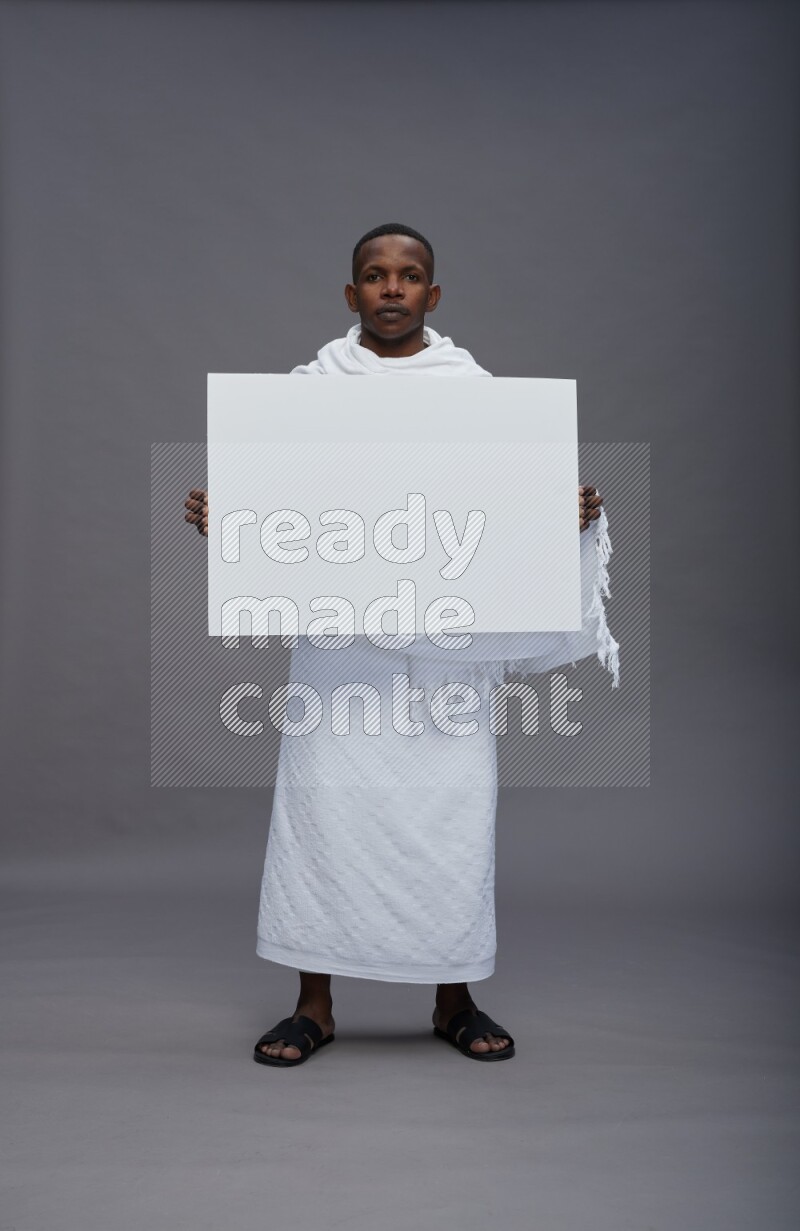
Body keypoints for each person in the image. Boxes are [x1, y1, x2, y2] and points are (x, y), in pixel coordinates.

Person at [184, 223, 616, 1066]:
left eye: (409, 275)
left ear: (433, 294)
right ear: (351, 295)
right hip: (342, 648)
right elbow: (290, 508)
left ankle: (453, 998)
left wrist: (559, 516)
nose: (391, 288)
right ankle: (314, 1003)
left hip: (445, 650)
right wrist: (230, 518)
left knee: (448, 815)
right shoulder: (309, 390)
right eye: (374, 276)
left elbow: (493, 507)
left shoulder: (472, 388)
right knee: (325, 810)